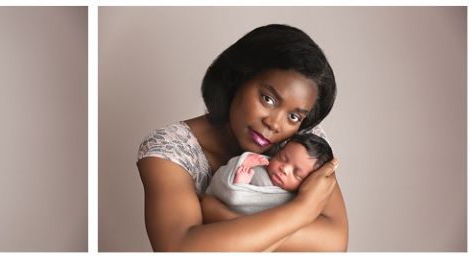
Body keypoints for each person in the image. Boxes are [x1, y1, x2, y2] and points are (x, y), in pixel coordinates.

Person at [136, 24, 348, 251]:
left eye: (294, 116)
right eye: (268, 99)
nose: (275, 124)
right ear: (236, 79)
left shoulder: (302, 141)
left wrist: (219, 218)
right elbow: (180, 250)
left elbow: (334, 243)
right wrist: (303, 210)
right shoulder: (169, 149)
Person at [205, 133, 335, 216]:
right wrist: (243, 169)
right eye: (282, 158)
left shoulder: (291, 200)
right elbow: (226, 190)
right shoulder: (259, 166)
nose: (284, 169)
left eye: (297, 174)